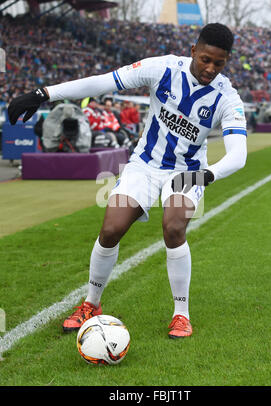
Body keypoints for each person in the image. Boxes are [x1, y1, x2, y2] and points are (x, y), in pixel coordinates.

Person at [7, 23, 247, 339]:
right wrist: (44, 93)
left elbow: (238, 154)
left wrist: (208, 174)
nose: (210, 68)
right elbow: (102, 83)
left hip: (187, 171)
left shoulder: (227, 97)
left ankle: (181, 314)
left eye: (219, 63)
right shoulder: (162, 68)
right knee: (111, 229)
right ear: (193, 51)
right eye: (205, 59)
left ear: (227, 61)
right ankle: (91, 304)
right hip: (144, 165)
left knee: (174, 226)